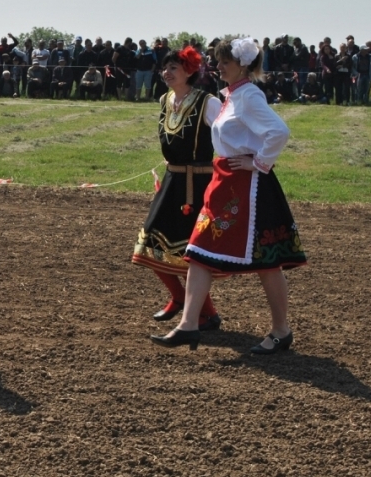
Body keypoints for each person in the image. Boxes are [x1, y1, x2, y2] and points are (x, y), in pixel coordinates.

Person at [151, 38, 307, 354]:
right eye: (218, 61)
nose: (218, 66)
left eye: (225, 62)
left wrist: (258, 162)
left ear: (243, 65)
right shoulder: (232, 96)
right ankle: (189, 324)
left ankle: (280, 330)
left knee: (267, 261)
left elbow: (279, 131)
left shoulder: (248, 96)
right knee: (198, 250)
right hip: (226, 183)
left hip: (248, 186)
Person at [131, 47, 222, 330]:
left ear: (190, 71)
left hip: (199, 183)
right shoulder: (165, 99)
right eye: (165, 68)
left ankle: (207, 313)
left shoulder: (208, 103)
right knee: (149, 243)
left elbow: (226, 138)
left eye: (173, 68)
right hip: (172, 181)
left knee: (191, 252)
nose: (166, 73)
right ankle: (180, 297)